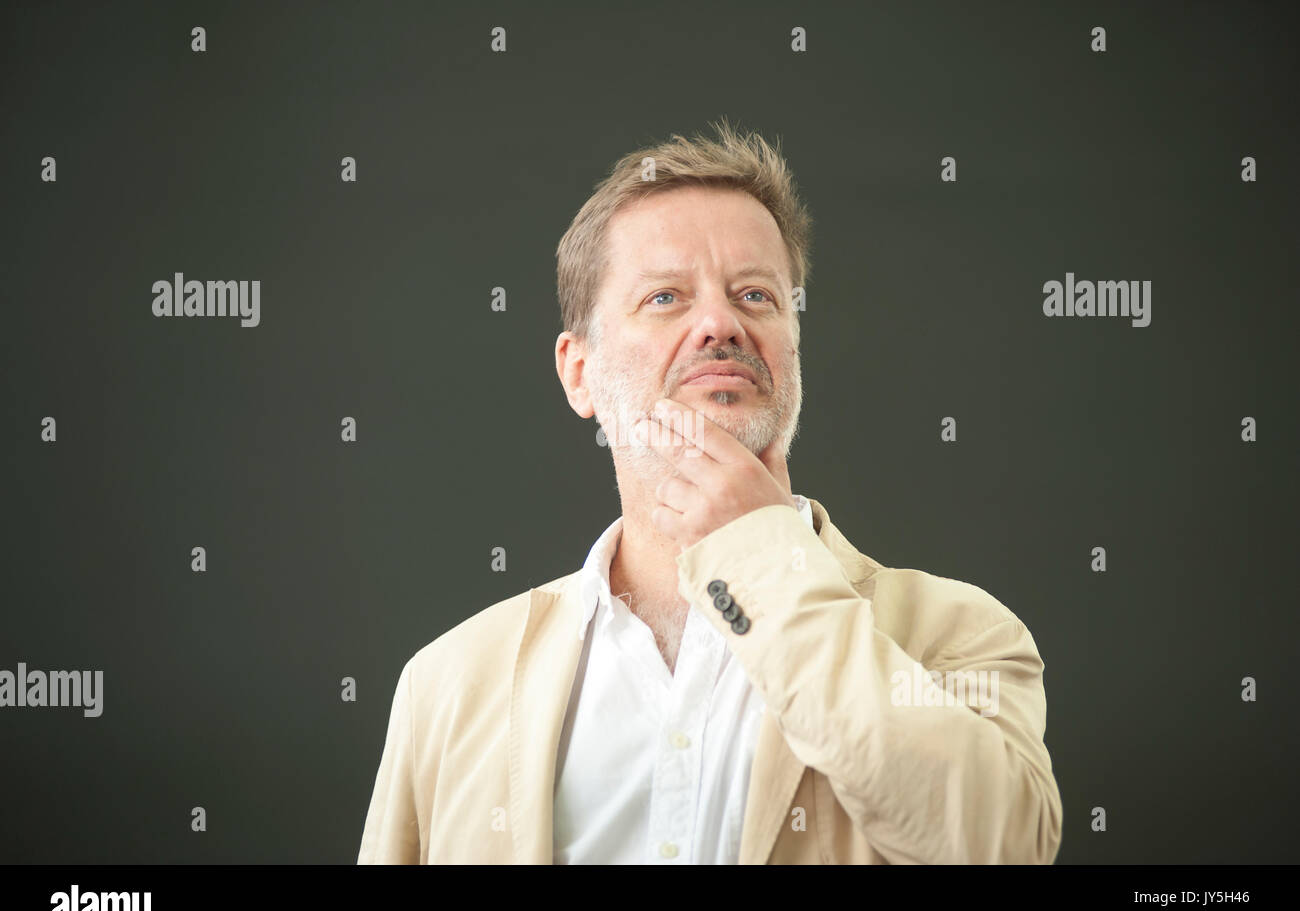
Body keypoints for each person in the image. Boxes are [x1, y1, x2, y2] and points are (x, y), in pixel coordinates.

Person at [358, 118, 1063, 864]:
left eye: (756, 295)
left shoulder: (960, 637)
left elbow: (1003, 846)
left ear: (793, 343)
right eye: (665, 297)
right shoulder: (447, 685)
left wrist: (763, 558)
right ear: (578, 371)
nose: (720, 323)